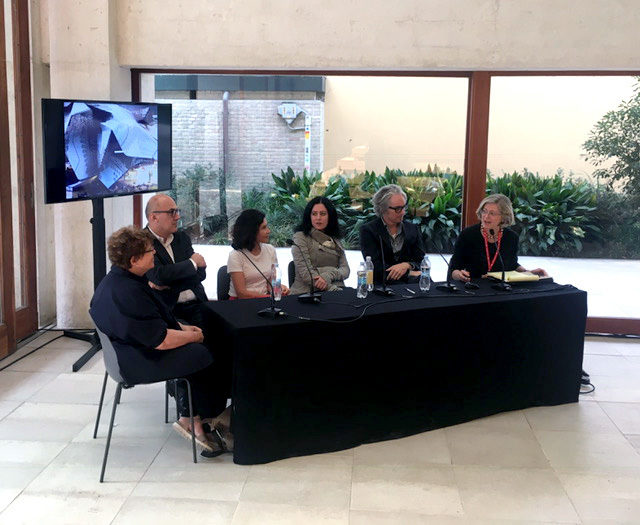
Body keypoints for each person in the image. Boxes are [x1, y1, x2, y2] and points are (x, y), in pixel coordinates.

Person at [90, 226, 230, 455]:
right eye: (149, 251)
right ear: (134, 260)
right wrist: (192, 335)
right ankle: (193, 420)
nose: (154, 253)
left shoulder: (117, 280)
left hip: (123, 354)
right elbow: (161, 340)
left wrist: (183, 328)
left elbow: (150, 323)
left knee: (200, 346)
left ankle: (198, 415)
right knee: (204, 353)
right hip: (136, 361)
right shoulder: (129, 292)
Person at [448, 193, 547, 282]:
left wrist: (529, 273)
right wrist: (459, 275)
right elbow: (454, 268)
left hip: (500, 290)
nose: (486, 217)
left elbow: (512, 265)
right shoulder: (468, 235)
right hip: (472, 288)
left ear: (504, 217)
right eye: (484, 211)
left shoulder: (511, 238)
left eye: (492, 213)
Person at [145, 193, 208, 326]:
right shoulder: (142, 241)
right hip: (168, 310)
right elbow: (158, 276)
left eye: (177, 211)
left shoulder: (181, 238)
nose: (178, 217)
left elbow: (201, 273)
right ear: (154, 217)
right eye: (171, 212)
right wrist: (192, 263)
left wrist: (169, 284)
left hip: (198, 304)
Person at [359, 184, 426, 284]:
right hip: (382, 286)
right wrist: (409, 273)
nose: (403, 212)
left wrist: (407, 265)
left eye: (404, 207)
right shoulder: (368, 231)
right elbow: (375, 267)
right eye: (398, 209)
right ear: (383, 209)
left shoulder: (413, 229)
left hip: (413, 285)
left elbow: (420, 260)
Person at [290, 196, 350, 295]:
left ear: (330, 216)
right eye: (314, 214)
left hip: (337, 290)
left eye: (322, 214)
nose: (318, 218)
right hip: (306, 293)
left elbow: (346, 270)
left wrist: (328, 275)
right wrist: (332, 288)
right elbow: (306, 274)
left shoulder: (335, 239)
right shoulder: (300, 237)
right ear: (309, 216)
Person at [227, 209, 290, 299]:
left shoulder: (270, 250)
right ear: (251, 231)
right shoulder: (235, 255)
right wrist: (268, 297)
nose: (269, 231)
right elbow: (242, 293)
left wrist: (279, 288)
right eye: (264, 228)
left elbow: (273, 283)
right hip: (241, 303)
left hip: (266, 299)